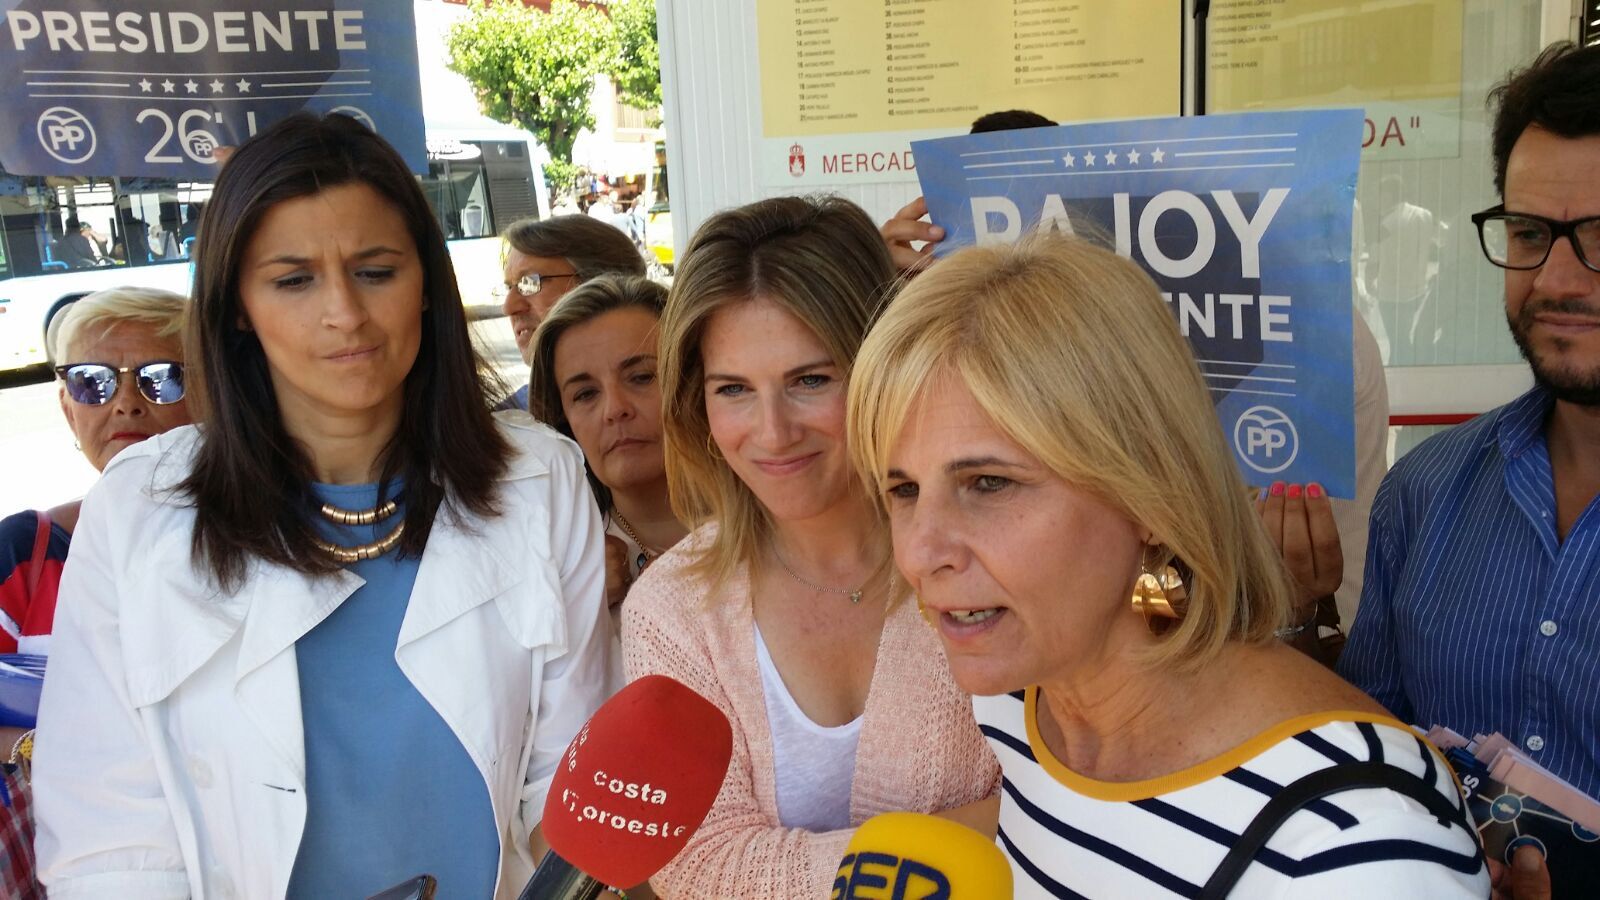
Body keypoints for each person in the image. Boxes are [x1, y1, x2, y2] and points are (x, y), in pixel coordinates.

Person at [31, 113, 614, 898]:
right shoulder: (141, 511)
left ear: (427, 284)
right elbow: (109, 839)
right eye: (293, 279)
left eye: (376, 270)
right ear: (237, 302)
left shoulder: (538, 484)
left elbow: (568, 786)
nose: (344, 313)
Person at [848, 234, 1486, 897]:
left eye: (988, 483)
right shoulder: (1017, 702)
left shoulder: (1356, 842)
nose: (919, 553)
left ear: (1150, 492)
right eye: (903, 490)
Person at [880, 107, 1383, 658]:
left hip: (1243, 658)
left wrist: (1298, 609)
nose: (1022, 269)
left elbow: (1344, 574)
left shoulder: (1309, 342)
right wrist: (892, 311)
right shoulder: (956, 366)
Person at [622, 196, 998, 897]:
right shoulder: (671, 610)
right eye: (734, 389)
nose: (773, 432)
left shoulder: (987, 555)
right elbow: (701, 868)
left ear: (882, 366)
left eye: (811, 380)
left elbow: (1072, 800)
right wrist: (970, 834)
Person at [1340, 42, 1600, 899]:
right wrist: (1302, 612)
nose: (1558, 278)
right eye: (1529, 234)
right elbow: (1373, 745)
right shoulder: (1423, 494)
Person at [0, 287, 191, 660]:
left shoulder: (265, 540)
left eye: (161, 378)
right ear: (69, 410)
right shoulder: (20, 555)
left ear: (215, 396)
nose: (126, 404)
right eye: (91, 382)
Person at [525, 274, 688, 608]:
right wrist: (572, 602)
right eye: (585, 394)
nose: (615, 409)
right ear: (562, 422)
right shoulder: (554, 572)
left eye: (641, 377)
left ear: (691, 381)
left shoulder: (775, 528)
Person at [495, 214, 647, 411]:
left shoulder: (680, 397)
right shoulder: (508, 426)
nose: (509, 307)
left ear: (602, 285)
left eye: (530, 283)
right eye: (509, 287)